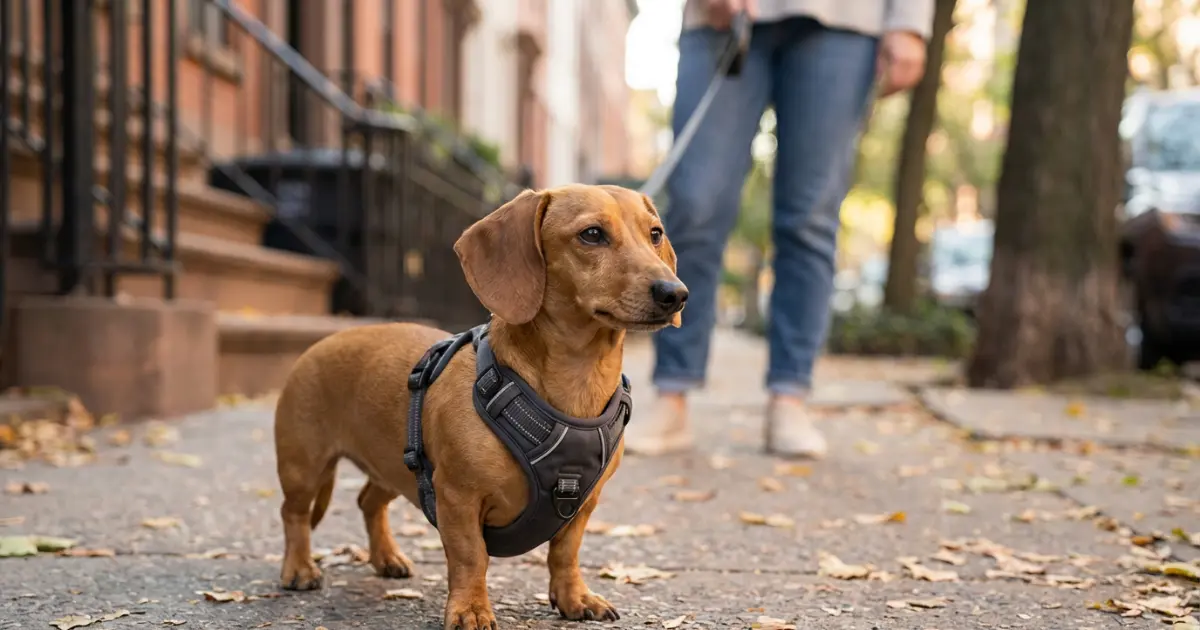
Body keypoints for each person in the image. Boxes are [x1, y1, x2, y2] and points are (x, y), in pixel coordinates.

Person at [625, 0, 934, 458]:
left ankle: (789, 398)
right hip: (721, 18)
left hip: (845, 22)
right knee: (695, 206)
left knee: (810, 218)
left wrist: (909, 23)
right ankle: (672, 394)